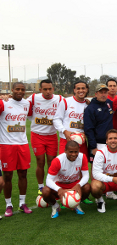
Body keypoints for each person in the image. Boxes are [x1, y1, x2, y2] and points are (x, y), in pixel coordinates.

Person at [0, 82, 32, 217]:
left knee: (23, 174)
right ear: (11, 90)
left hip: (23, 144)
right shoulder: (4, 103)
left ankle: (22, 203)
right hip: (6, 145)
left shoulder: (27, 104)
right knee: (7, 176)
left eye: (22, 90)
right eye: (17, 89)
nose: (20, 91)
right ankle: (8, 205)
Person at [27, 79, 63, 195]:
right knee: (40, 161)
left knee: (52, 162)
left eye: (50, 89)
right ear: (40, 89)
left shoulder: (59, 99)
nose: (48, 91)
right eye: (45, 89)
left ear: (53, 89)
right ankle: (40, 186)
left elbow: (72, 104)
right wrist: (7, 98)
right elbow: (20, 104)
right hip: (37, 134)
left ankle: (51, 184)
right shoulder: (33, 98)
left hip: (52, 135)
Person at [41, 141, 91, 218]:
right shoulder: (58, 160)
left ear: (79, 150)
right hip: (60, 184)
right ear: (65, 151)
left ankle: (76, 204)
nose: (73, 154)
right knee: (45, 191)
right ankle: (55, 206)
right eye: (71, 152)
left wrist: (79, 185)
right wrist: (59, 189)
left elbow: (86, 175)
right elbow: (48, 180)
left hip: (74, 184)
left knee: (87, 187)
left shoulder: (82, 157)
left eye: (76, 152)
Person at [84, 84, 117, 200]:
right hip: (97, 143)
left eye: (105, 92)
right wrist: (93, 146)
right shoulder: (90, 108)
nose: (103, 94)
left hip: (109, 143)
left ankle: (108, 191)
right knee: (96, 168)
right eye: (101, 92)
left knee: (109, 167)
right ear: (96, 93)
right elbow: (88, 129)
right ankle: (97, 192)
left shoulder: (109, 103)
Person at [53, 80, 89, 155]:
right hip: (66, 140)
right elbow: (56, 119)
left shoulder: (89, 105)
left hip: (81, 141)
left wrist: (85, 133)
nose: (81, 90)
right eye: (78, 88)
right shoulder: (66, 102)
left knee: (81, 165)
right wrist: (64, 131)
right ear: (74, 90)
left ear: (87, 90)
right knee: (64, 165)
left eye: (83, 88)